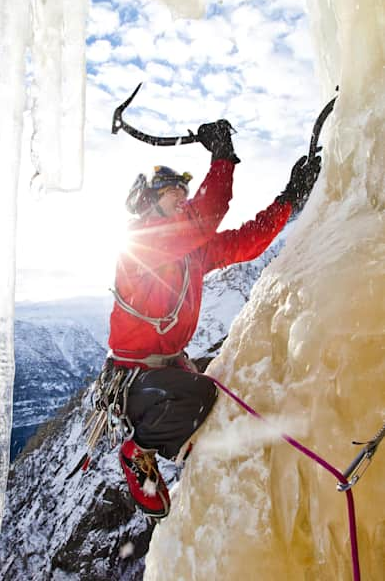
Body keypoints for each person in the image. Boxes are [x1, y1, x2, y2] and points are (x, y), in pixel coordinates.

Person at [101, 120, 321, 518]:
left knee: (209, 391)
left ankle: (169, 437)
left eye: (184, 194)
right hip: (140, 380)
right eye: (173, 195)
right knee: (200, 395)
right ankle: (139, 449)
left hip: (160, 372)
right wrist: (222, 157)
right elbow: (207, 215)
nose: (183, 200)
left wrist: (289, 199)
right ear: (149, 203)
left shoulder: (189, 253)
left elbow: (243, 243)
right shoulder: (146, 243)